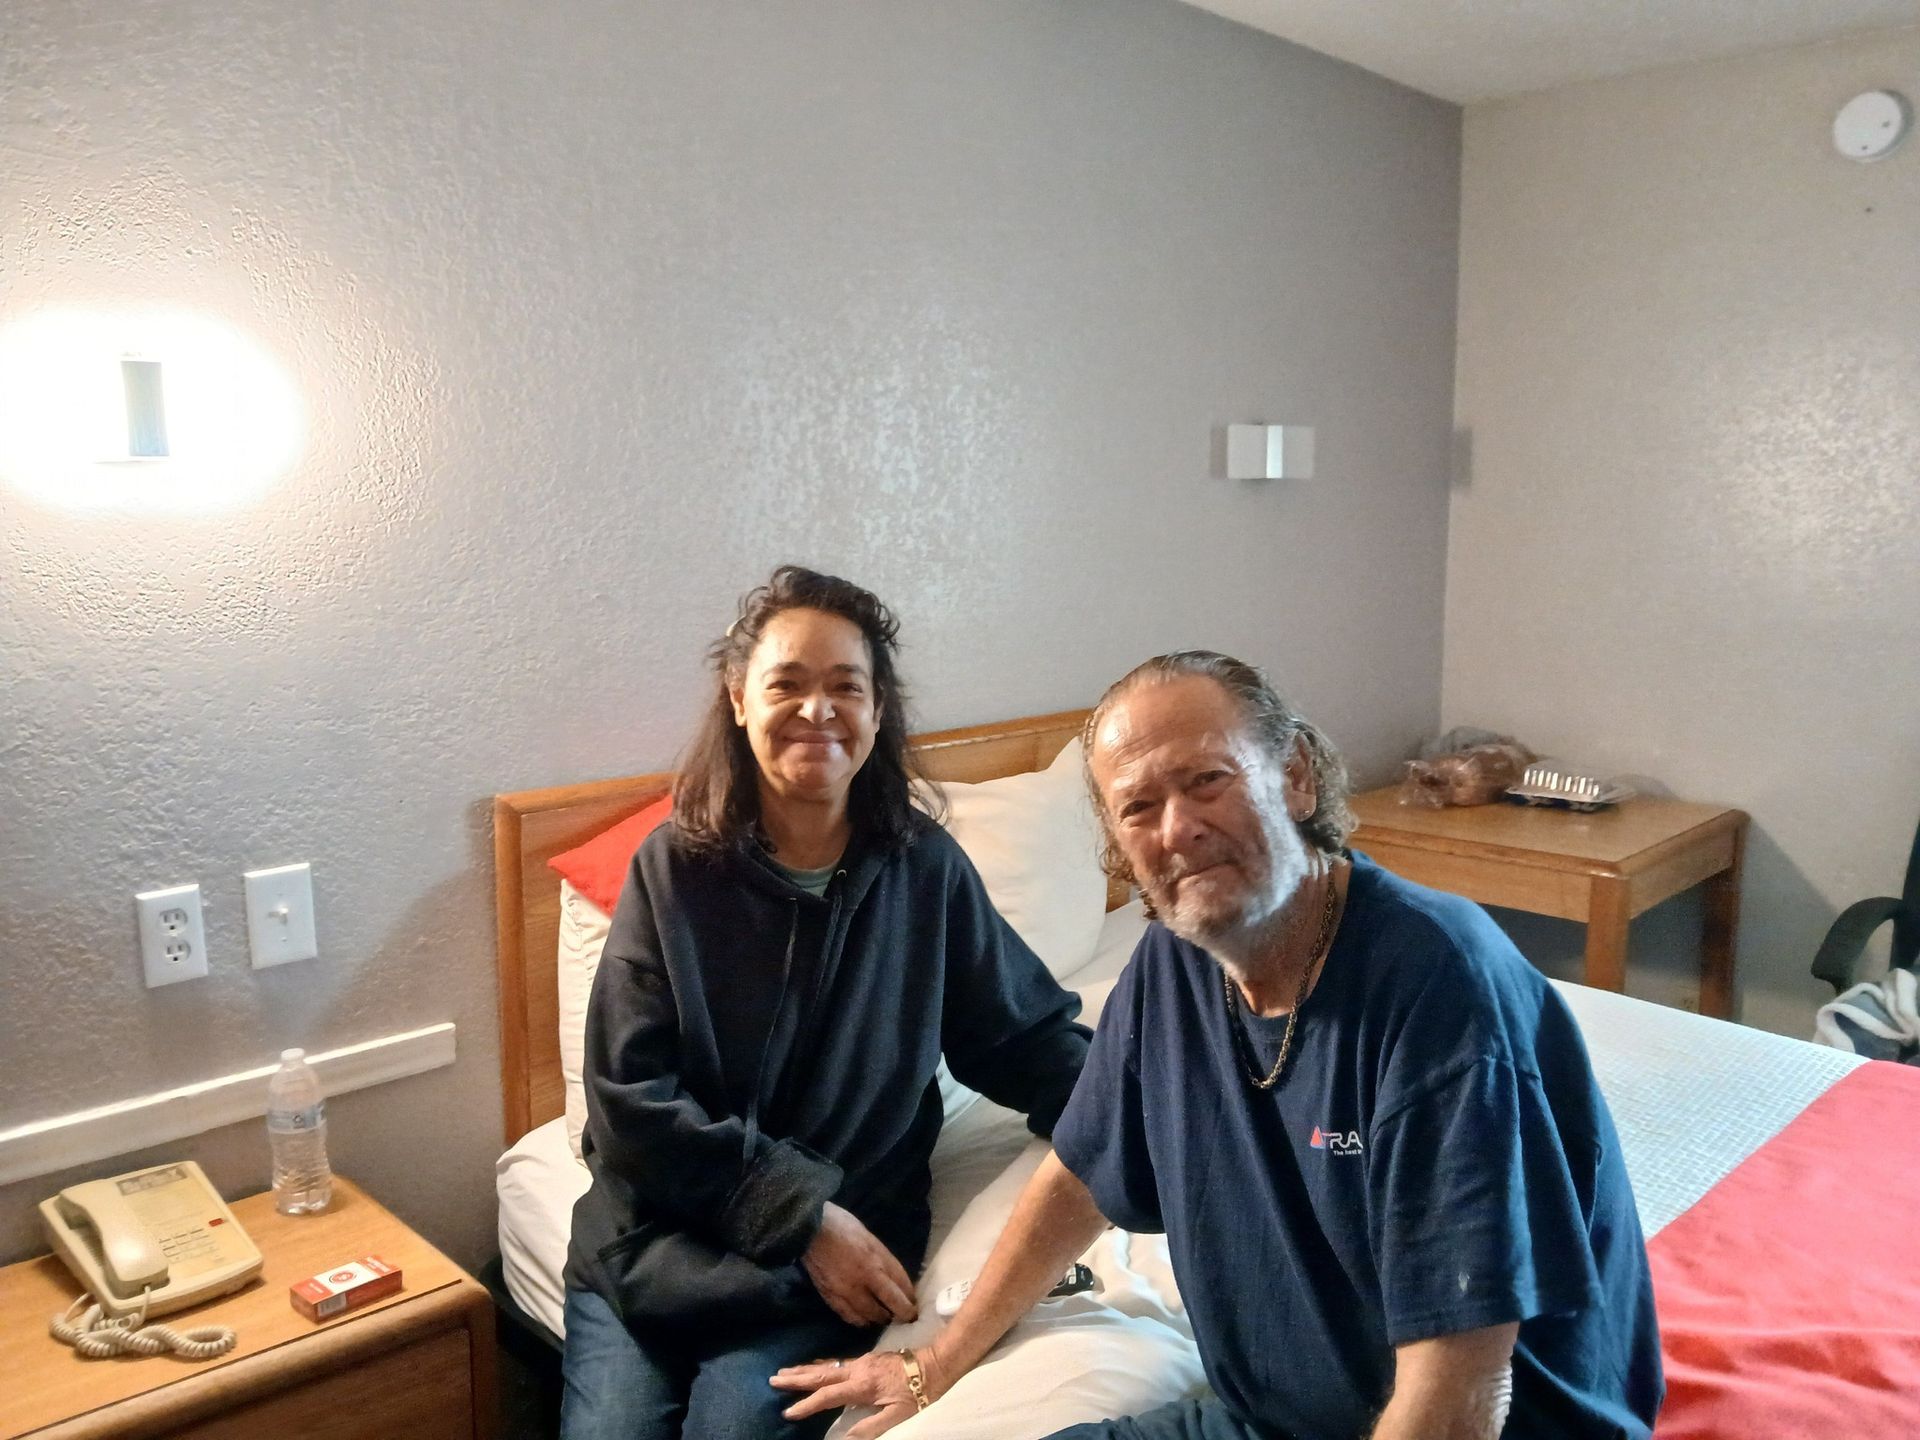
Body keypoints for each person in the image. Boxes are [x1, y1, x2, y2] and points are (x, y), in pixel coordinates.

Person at [774, 651, 1664, 1439]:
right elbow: (1081, 1172)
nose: (1177, 829)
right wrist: (935, 1364)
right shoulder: (1171, 962)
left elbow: (1464, 1392)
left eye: (1207, 781)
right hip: (1269, 1413)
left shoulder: (1438, 987)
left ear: (1297, 778)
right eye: (1139, 807)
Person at [560, 566, 1091, 1440]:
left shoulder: (924, 872)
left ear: (878, 711)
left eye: (846, 686)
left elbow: (1020, 1036)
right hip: (656, 1247)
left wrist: (1146, 1104)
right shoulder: (674, 872)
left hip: (814, 1281)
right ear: (738, 700)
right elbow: (628, 1102)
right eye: (787, 684)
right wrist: (802, 1214)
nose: (818, 710)